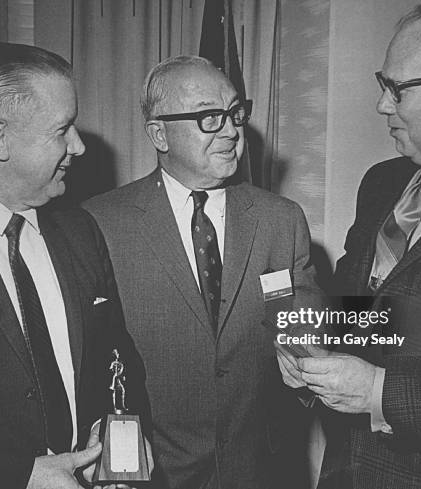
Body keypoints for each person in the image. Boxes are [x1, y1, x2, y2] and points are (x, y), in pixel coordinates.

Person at [278, 4, 421, 488]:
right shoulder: (382, 184)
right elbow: (362, 310)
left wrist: (379, 392)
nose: (383, 105)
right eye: (381, 84)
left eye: (397, 89)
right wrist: (310, 349)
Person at [0, 42, 150, 489]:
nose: (78, 145)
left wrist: (115, 440)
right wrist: (13, 478)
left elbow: (117, 355)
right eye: (63, 130)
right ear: (0, 140)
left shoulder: (80, 231)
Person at [84, 55, 323, 489]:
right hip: (155, 473)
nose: (232, 130)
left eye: (235, 113)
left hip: (261, 469)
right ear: (159, 133)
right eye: (209, 118)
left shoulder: (280, 220)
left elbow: (303, 330)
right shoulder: (99, 223)